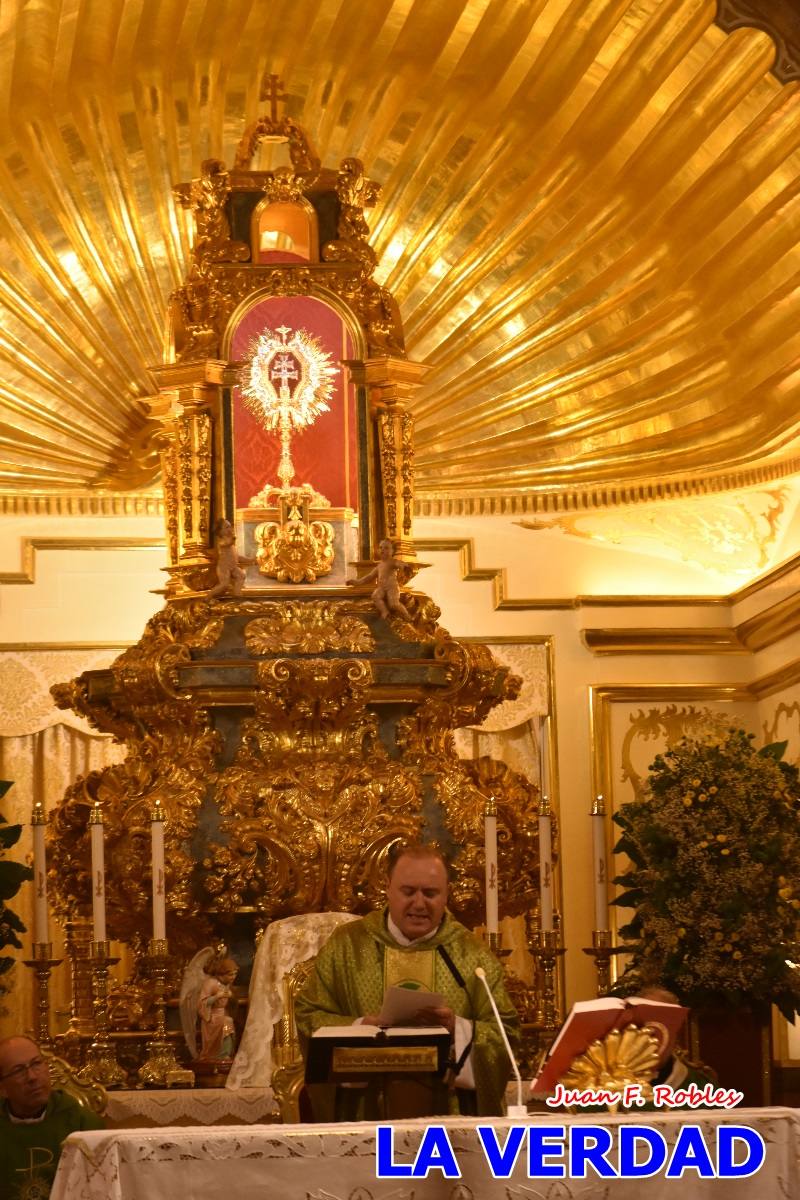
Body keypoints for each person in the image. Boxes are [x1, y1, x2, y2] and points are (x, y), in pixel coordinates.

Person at [295, 843, 519, 1118]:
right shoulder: (347, 945)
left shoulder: (472, 956)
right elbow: (308, 1016)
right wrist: (360, 1027)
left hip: (447, 1123)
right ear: (388, 888)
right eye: (408, 891)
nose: (419, 903)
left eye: (430, 893)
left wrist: (457, 1029)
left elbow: (505, 1034)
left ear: (446, 894)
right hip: (365, 1114)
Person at [0, 1035, 104, 1200]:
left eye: (36, 1064)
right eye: (19, 1070)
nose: (32, 1077)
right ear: (3, 1088)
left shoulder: (81, 1122)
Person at [349, 538, 411, 621]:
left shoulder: (392, 562)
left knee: (394, 604)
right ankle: (384, 611)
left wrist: (405, 566)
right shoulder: (379, 565)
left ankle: (406, 615)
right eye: (381, 547)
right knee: (375, 596)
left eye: (386, 548)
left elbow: (400, 564)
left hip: (392, 587)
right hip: (381, 587)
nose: (382, 550)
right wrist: (356, 582)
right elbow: (369, 576)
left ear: (393, 551)